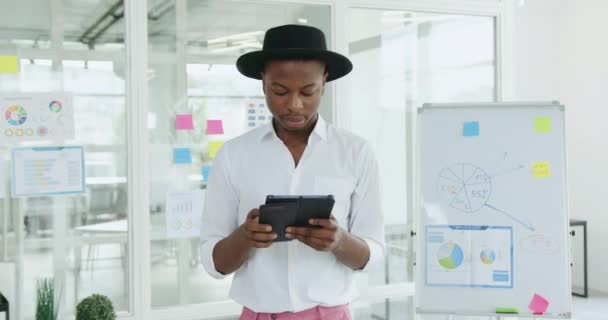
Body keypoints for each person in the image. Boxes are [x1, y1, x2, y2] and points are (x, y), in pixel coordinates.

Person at [200, 24, 384, 320]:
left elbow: (373, 254)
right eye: (280, 91)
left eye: (308, 91)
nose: (294, 106)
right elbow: (214, 263)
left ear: (324, 82)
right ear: (263, 83)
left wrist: (339, 241)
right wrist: (245, 237)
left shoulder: (356, 152)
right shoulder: (234, 155)